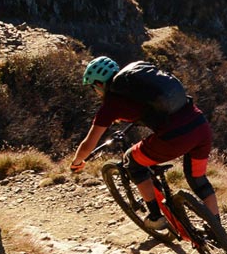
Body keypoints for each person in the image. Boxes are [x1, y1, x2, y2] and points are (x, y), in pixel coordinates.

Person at [65, 55, 218, 222]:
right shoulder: (137, 82)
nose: (95, 92)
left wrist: (77, 162)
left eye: (93, 87)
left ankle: (155, 217)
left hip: (174, 137)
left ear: (100, 84)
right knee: (199, 181)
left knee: (131, 161)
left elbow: (88, 144)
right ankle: (216, 230)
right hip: (200, 125)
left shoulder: (111, 104)